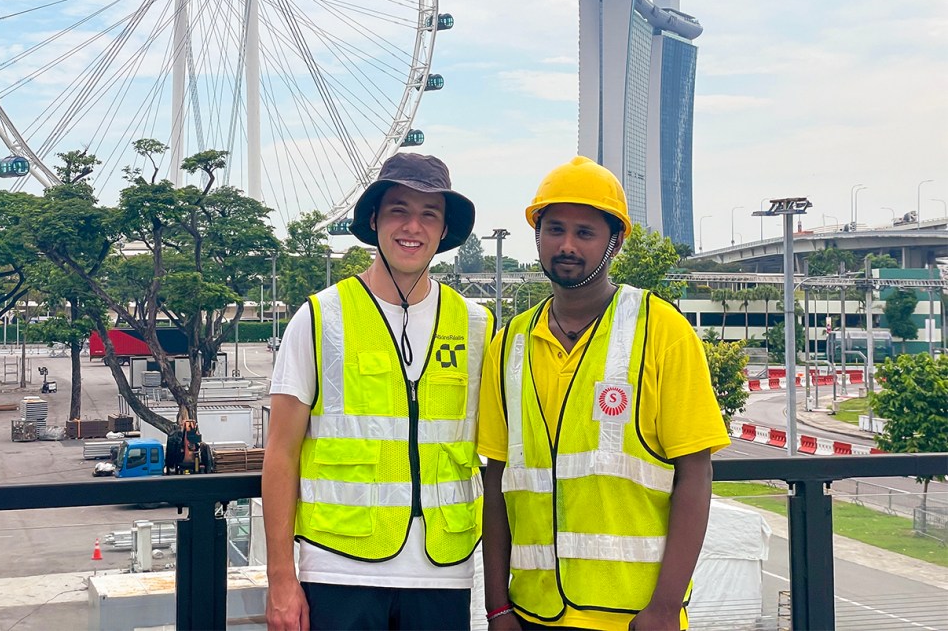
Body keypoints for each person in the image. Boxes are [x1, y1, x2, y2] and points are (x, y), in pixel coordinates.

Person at [478, 157, 730, 631]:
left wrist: (663, 608)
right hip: (532, 612)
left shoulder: (663, 332)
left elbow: (695, 475)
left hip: (632, 616)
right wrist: (497, 607)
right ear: (537, 236)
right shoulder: (508, 345)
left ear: (614, 242)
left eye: (585, 232)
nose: (567, 245)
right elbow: (496, 483)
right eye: (554, 229)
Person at [263, 153, 495, 630]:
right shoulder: (320, 318)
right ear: (374, 220)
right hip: (338, 569)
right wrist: (281, 579)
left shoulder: (476, 325)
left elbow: (495, 454)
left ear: (444, 229)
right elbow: (280, 453)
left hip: (444, 574)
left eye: (429, 213)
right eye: (399, 210)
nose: (413, 226)